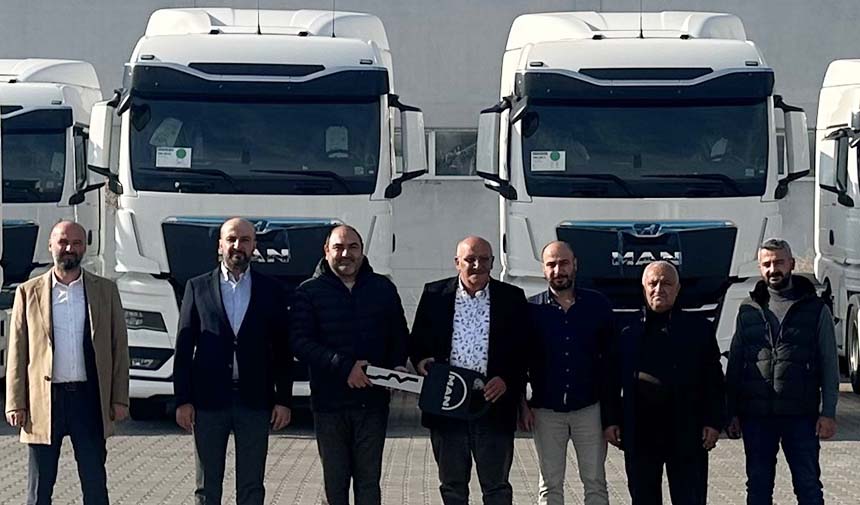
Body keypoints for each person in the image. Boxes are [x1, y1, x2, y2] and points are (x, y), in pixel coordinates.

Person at [5, 221, 129, 505]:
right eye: (63, 242)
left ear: (85, 247)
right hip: (44, 401)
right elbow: (17, 350)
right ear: (50, 245)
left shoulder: (105, 291)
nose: (69, 248)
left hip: (89, 399)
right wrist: (15, 402)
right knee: (39, 490)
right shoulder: (28, 292)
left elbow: (119, 348)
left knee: (95, 486)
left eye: (76, 242)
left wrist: (119, 398)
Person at [174, 217, 293, 505]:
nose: (238, 246)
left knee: (252, 485)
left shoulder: (272, 290)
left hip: (254, 400)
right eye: (231, 239)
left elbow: (282, 349)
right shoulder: (197, 287)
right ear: (220, 245)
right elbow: (184, 347)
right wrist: (183, 400)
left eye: (245, 240)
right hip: (208, 401)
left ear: (254, 246)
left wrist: (284, 400)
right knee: (207, 486)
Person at [290, 224, 409, 505]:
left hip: (373, 403)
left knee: (369, 483)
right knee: (335, 484)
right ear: (326, 251)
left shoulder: (382, 288)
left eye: (353, 247)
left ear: (362, 251)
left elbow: (399, 334)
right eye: (339, 247)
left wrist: (398, 366)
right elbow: (300, 343)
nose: (346, 254)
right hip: (329, 406)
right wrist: (345, 367)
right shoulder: (309, 291)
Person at [410, 236, 529, 505]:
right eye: (470, 259)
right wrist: (420, 362)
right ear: (457, 262)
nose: (477, 265)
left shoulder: (511, 298)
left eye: (484, 259)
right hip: (447, 406)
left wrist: (507, 379)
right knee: (452, 487)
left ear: (493, 262)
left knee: (496, 487)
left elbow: (525, 349)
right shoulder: (434, 294)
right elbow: (416, 342)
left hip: (493, 405)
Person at [726, 238, 839, 505]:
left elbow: (829, 364)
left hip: (801, 416)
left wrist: (828, 413)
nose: (773, 269)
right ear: (760, 267)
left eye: (778, 262)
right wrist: (730, 412)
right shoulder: (748, 309)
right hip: (756, 416)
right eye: (766, 264)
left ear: (791, 264)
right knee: (757, 489)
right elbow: (736, 363)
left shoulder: (815, 309)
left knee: (808, 487)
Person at [603, 261, 724, 505]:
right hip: (640, 433)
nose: (659, 289)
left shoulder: (699, 329)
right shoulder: (625, 330)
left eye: (667, 283)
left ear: (678, 289)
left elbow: (713, 379)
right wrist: (610, 420)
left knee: (690, 499)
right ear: (644, 288)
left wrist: (713, 422)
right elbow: (610, 379)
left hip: (688, 432)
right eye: (653, 283)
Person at [519, 241, 614, 505]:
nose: (558, 270)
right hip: (546, 410)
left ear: (575, 265)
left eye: (563, 263)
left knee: (595, 482)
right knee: (549, 485)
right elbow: (520, 362)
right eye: (551, 264)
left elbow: (611, 362)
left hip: (589, 408)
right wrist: (522, 405)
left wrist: (611, 414)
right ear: (543, 269)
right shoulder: (531, 310)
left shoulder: (597, 305)